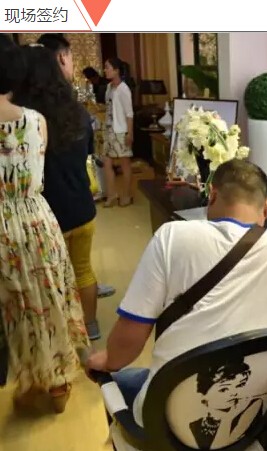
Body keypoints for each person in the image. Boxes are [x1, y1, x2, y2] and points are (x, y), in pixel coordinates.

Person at [86, 159, 267, 434]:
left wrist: (107, 361)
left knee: (123, 378)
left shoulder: (172, 236)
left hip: (166, 427)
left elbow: (127, 344)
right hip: (248, 427)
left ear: (213, 195)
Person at [0, 38, 89, 413]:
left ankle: (24, 377)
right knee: (48, 296)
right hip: (38, 218)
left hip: (3, 224)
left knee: (15, 305)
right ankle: (58, 383)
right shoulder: (36, 120)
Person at [36, 33, 117, 303]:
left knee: (53, 274)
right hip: (81, 205)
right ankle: (90, 323)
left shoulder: (29, 114)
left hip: (47, 211)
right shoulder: (78, 113)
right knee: (82, 269)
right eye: (71, 57)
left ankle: (65, 322)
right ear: (62, 58)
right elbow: (88, 154)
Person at [190, 357, 266, 448]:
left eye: (240, 385)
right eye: (224, 389)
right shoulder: (194, 426)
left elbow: (224, 445)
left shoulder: (252, 405)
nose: (234, 393)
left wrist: (228, 418)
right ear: (203, 395)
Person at [102, 57, 134, 208]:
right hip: (109, 130)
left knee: (124, 164)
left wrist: (130, 133)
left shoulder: (123, 89)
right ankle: (111, 194)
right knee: (106, 162)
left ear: (116, 70)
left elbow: (129, 113)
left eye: (108, 67)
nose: (105, 70)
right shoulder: (109, 87)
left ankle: (126, 195)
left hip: (121, 131)